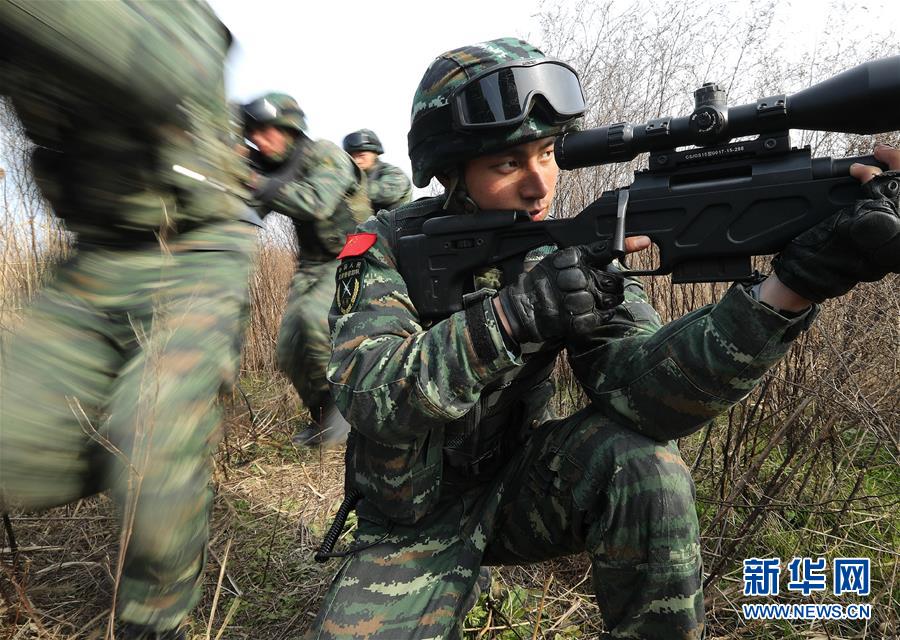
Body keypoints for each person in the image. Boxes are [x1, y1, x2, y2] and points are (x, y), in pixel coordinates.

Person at [309, 38, 900, 639]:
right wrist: (513, 318)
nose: (539, 186)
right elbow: (370, 394)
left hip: (514, 492)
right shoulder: (384, 244)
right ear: (451, 174)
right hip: (406, 522)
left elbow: (641, 396)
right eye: (507, 165)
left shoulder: (572, 250)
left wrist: (789, 289)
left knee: (644, 466)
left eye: (546, 154)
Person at [0, 2, 259, 639]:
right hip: (97, 254)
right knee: (17, 451)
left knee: (153, 433)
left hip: (194, 247)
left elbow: (161, 72)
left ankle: (154, 622)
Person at [241, 93, 371, 447]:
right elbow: (247, 216)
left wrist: (256, 182)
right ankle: (324, 415)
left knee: (316, 321)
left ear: (290, 130)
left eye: (266, 132)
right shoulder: (275, 171)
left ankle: (351, 413)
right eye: (252, 134)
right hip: (313, 263)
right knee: (288, 346)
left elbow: (317, 202)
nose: (258, 141)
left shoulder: (324, 154)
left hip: (355, 254)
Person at [342, 129, 412, 212]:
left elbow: (386, 193)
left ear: (375, 153)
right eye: (352, 157)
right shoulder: (353, 176)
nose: (357, 161)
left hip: (396, 223)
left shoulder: (394, 173)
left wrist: (346, 189)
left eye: (361, 155)